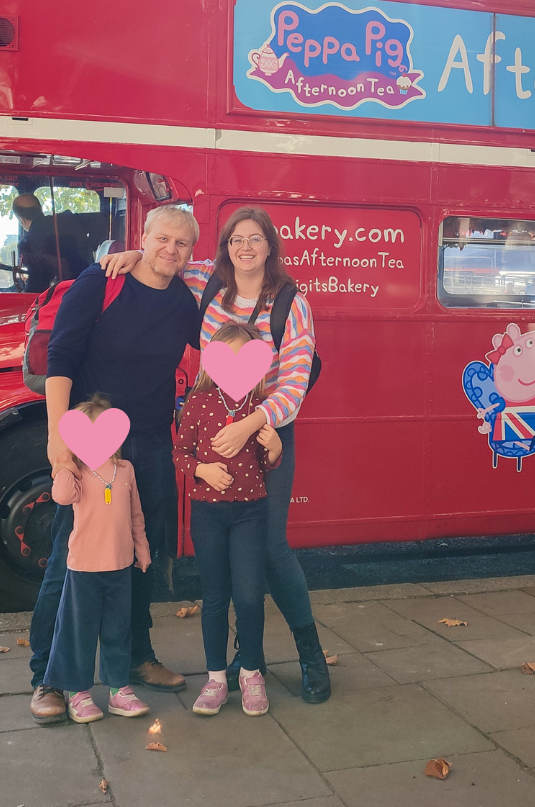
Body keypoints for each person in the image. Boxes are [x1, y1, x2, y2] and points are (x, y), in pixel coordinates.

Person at [102, 205, 330, 704]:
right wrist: (133, 253)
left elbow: (293, 383)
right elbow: (166, 258)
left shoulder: (292, 302)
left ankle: (310, 653)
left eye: (254, 239)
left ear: (270, 246)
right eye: (234, 240)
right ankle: (250, 661)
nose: (244, 248)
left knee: (270, 547)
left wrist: (252, 424)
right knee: (227, 560)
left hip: (265, 434)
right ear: (225, 248)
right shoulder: (208, 281)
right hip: (210, 437)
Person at [28, 205, 201, 726]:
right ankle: (49, 677)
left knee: (140, 556)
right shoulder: (99, 283)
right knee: (70, 559)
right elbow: (59, 360)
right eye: (162, 239)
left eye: (182, 244)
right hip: (91, 445)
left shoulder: (184, 300)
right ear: (142, 237)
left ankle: (135, 658)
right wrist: (60, 441)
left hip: (148, 444)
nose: (170, 250)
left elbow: (221, 335)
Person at [173, 322, 284, 717]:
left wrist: (274, 449)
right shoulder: (199, 404)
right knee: (216, 598)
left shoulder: (260, 408)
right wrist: (203, 471)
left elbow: (265, 465)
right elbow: (180, 452)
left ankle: (251, 672)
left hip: (250, 512)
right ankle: (216, 679)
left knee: (251, 596)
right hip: (208, 514)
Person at [44, 393, 152, 724]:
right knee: (80, 632)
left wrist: (142, 547)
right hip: (84, 569)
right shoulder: (75, 473)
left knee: (118, 630)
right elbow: (61, 497)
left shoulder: (125, 470)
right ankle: (78, 692)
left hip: (119, 566)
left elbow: (136, 514)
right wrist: (62, 463)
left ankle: (119, 689)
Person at [13, 193, 97, 293]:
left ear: (21, 220)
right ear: (40, 210)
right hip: (90, 286)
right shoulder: (69, 219)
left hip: (63, 297)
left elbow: (36, 288)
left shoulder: (27, 244)